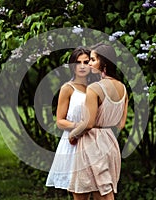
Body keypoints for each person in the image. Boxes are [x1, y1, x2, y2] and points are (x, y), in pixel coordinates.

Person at [67, 43, 129, 200]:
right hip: (110, 143)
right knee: (104, 190)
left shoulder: (94, 88)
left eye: (93, 60)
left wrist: (73, 134)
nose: (89, 64)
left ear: (104, 63)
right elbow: (121, 124)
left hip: (91, 144)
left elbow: (88, 123)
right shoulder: (123, 88)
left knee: (82, 193)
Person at [46, 46, 96, 190]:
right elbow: (60, 121)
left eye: (86, 62)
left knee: (97, 187)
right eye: (77, 62)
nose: (82, 66)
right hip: (72, 142)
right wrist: (78, 126)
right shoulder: (68, 88)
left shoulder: (96, 87)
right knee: (78, 190)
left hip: (93, 140)